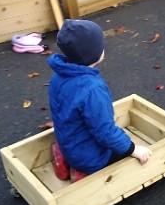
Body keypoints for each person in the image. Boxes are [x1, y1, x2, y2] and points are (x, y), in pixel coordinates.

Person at [48, 19, 152, 182]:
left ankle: (65, 158)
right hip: (91, 157)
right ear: (93, 53)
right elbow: (105, 132)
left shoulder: (59, 76)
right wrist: (133, 149)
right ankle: (83, 172)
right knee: (123, 152)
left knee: (80, 138)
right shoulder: (92, 89)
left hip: (68, 143)